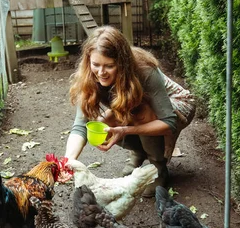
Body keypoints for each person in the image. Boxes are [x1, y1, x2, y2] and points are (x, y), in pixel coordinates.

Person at [65, 26, 195, 196]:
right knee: (103, 123)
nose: (101, 72)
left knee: (138, 111)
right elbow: (81, 126)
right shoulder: (89, 75)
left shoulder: (145, 70)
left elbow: (168, 121)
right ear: (88, 60)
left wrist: (126, 130)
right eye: (96, 64)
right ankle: (140, 152)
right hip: (136, 106)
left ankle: (157, 167)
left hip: (178, 104)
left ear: (122, 63)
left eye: (109, 66)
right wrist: (68, 162)